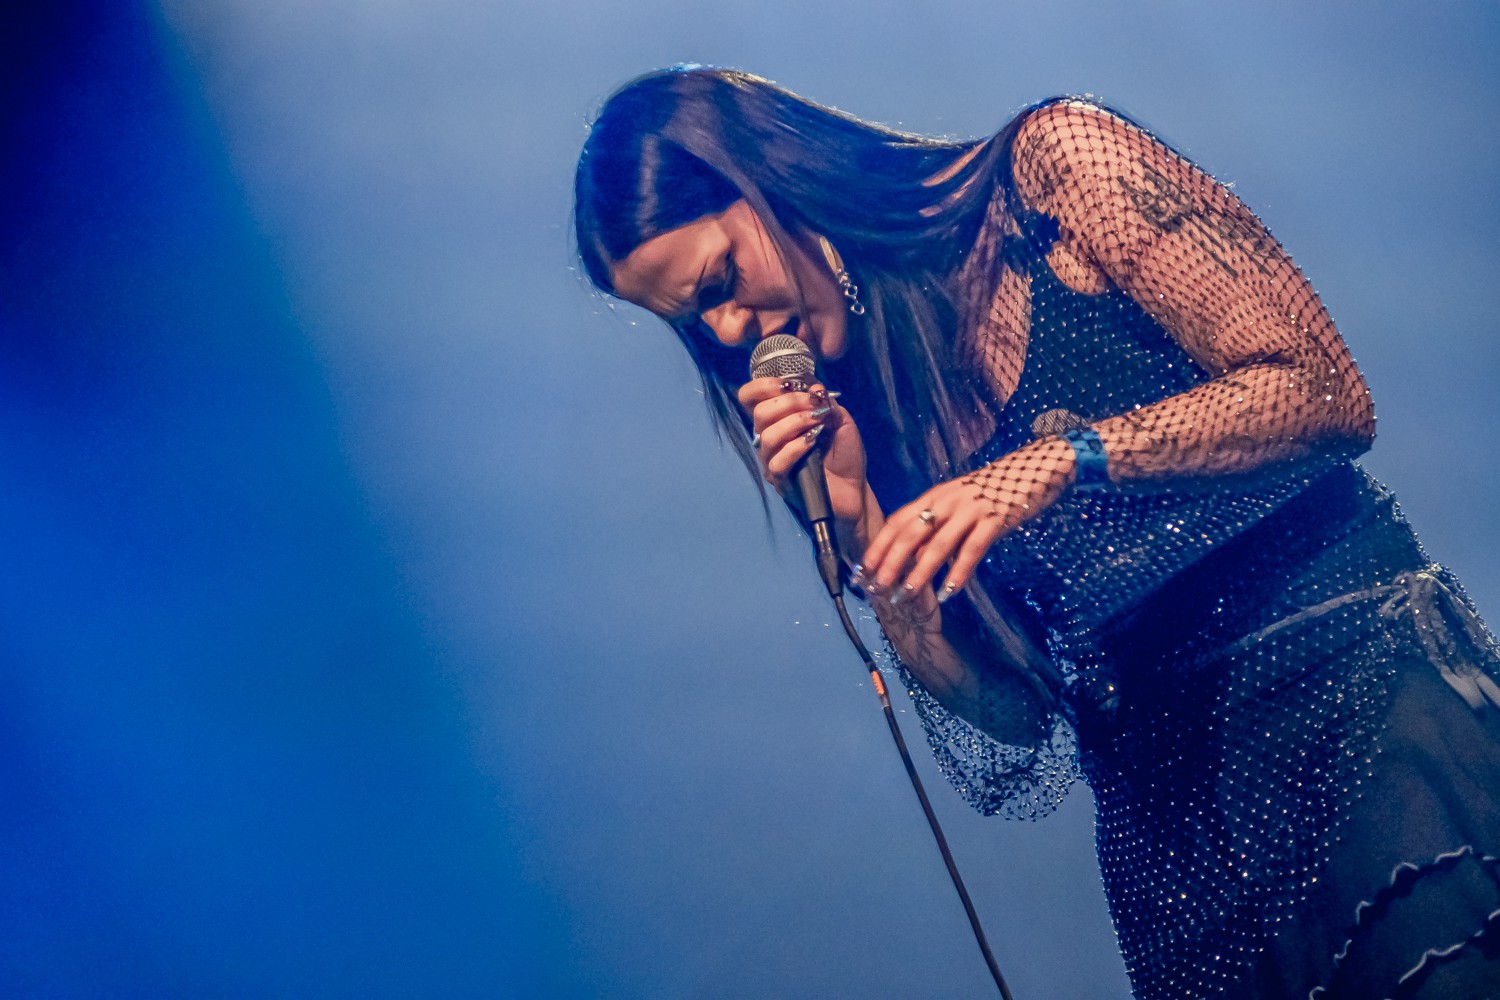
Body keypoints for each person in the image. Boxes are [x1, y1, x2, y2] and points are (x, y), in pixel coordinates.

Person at [572, 67, 1500, 999]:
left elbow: (1325, 391)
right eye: (697, 321)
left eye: (722, 280)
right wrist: (865, 534)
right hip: (1175, 842)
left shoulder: (1054, 167)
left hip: (1353, 700)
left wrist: (1055, 463)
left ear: (773, 176)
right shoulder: (853, 409)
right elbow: (1014, 717)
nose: (732, 328)